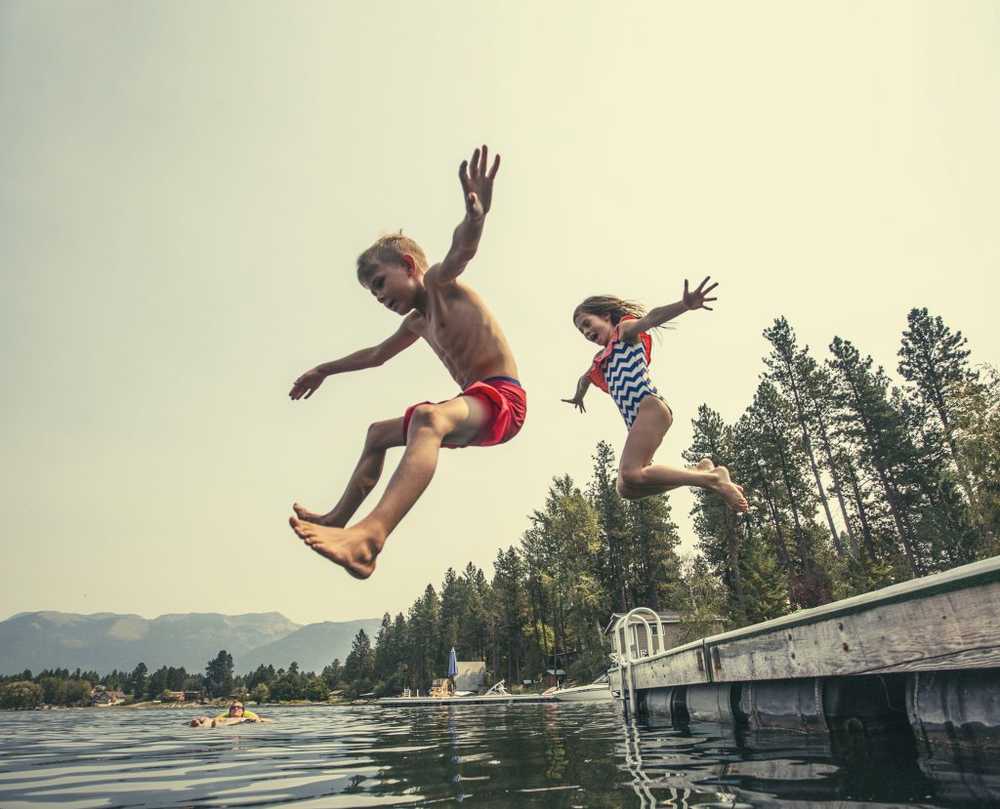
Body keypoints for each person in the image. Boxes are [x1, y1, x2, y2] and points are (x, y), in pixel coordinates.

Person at [288, 145, 525, 579]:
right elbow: (376, 355)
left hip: (503, 399)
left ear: (409, 265)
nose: (380, 298)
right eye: (373, 295)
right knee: (377, 435)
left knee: (428, 420)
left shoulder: (438, 284)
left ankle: (370, 539)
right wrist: (324, 369)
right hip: (472, 401)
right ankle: (339, 520)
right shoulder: (418, 322)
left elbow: (462, 251)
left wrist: (477, 217)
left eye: (381, 284)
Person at [562, 280, 748, 511]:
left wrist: (684, 305)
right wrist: (578, 396)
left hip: (649, 406)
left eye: (588, 324)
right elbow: (585, 379)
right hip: (638, 419)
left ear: (606, 316)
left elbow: (651, 318)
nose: (587, 332)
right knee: (627, 487)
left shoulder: (624, 332)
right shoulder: (600, 360)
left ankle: (713, 479)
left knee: (630, 473)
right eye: (582, 331)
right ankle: (702, 475)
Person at [189, 700, 264, 728]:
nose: (236, 709)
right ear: (229, 711)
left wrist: (258, 720)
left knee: (238, 720)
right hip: (221, 722)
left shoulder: (247, 718)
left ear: (243, 711)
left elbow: (264, 720)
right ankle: (198, 724)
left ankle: (202, 727)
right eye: (233, 708)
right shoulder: (223, 717)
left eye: (238, 707)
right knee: (206, 718)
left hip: (226, 724)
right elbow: (213, 720)